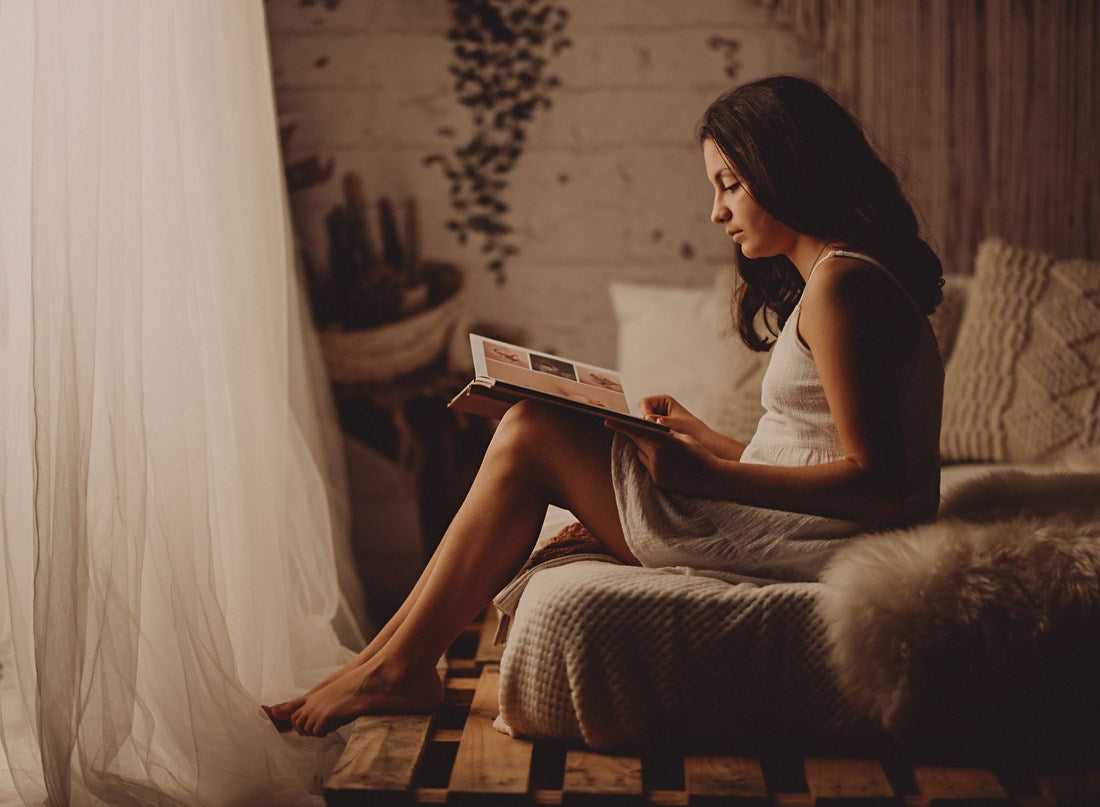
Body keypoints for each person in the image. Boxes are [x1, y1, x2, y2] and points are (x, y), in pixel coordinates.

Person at [264, 75, 944, 737]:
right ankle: (381, 662)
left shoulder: (842, 287)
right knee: (535, 425)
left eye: (729, 184)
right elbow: (818, 449)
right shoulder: (845, 279)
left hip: (818, 546)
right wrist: (707, 439)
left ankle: (399, 666)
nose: (716, 212)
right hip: (804, 527)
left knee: (531, 426)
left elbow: (880, 484)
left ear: (787, 168)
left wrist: (708, 477)